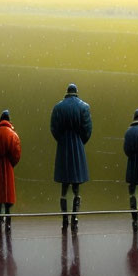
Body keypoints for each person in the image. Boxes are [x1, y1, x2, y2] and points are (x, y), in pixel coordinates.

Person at [51, 83, 91, 229]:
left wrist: (62, 139)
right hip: (77, 144)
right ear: (76, 92)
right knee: (76, 183)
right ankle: (75, 217)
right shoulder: (84, 107)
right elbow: (87, 129)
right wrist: (79, 141)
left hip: (63, 146)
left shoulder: (58, 107)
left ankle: (64, 218)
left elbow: (54, 128)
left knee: (64, 184)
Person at [0, 110, 21, 228]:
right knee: (8, 193)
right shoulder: (13, 134)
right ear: (9, 121)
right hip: (8, 166)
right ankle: (8, 217)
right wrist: (10, 163)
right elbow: (16, 154)